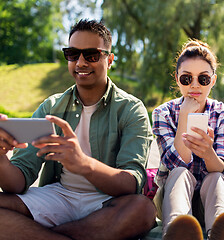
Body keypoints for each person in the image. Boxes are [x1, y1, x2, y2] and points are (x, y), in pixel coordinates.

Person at [0, 19, 156, 240]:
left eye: (91, 55)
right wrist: (1, 159)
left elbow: (131, 182)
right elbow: (18, 181)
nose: (81, 62)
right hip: (58, 196)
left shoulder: (131, 109)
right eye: (72, 54)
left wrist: (84, 164)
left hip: (107, 203)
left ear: (109, 60)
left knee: (143, 209)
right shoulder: (51, 107)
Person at [152, 39, 224, 240]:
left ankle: (223, 229)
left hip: (210, 199)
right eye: (187, 79)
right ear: (177, 79)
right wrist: (184, 117)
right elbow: (175, 163)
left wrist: (207, 153)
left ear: (212, 81)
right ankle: (178, 230)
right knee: (179, 173)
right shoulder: (163, 113)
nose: (194, 85)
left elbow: (222, 168)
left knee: (215, 178)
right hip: (171, 198)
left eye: (203, 79)